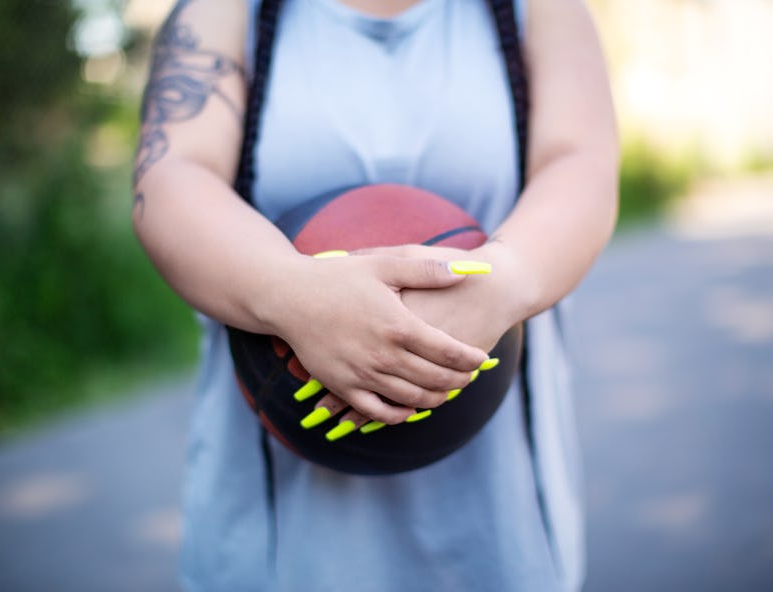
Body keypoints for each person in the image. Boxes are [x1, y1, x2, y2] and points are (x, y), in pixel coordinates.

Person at [132, 0, 618, 590]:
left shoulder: (536, 10)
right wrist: (292, 295)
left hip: (496, 516)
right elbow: (172, 174)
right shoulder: (223, 11)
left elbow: (580, 163)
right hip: (279, 534)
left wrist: (501, 280)